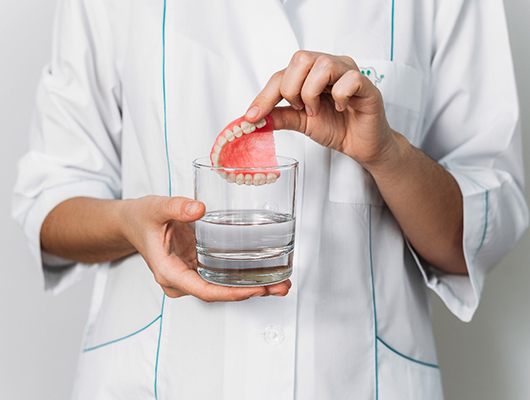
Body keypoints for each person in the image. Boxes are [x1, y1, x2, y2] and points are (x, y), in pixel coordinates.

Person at [12, 0, 528, 399]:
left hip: (355, 382)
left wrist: (388, 154)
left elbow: (482, 231)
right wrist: (128, 222)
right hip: (158, 381)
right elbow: (50, 199)